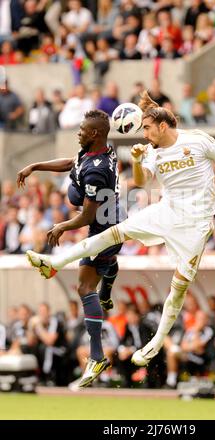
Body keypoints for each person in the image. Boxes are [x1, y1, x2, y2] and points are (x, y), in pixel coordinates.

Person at [26, 91, 215, 371]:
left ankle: (156, 343)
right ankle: (54, 262)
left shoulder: (197, 140)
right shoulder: (149, 151)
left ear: (163, 126)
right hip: (167, 210)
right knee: (115, 231)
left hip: (196, 223)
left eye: (147, 128)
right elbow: (140, 182)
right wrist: (138, 161)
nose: (144, 134)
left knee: (180, 286)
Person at [17, 109, 122, 388]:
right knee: (97, 278)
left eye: (83, 129)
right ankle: (108, 286)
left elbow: (87, 216)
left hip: (104, 232)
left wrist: (62, 225)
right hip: (102, 229)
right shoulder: (93, 152)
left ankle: (97, 356)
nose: (79, 132)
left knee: (85, 289)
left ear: (96, 134)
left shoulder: (98, 170)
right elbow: (71, 163)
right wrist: (36, 166)